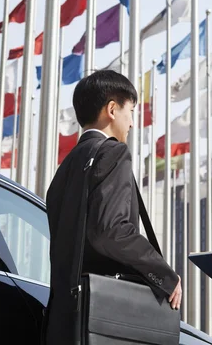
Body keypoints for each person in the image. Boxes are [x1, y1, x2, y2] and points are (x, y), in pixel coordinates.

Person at [44, 70, 182, 344]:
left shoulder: (66, 167)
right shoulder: (113, 152)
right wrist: (164, 274)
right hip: (105, 314)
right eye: (130, 111)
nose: (131, 122)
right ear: (111, 109)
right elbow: (112, 230)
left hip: (65, 316)